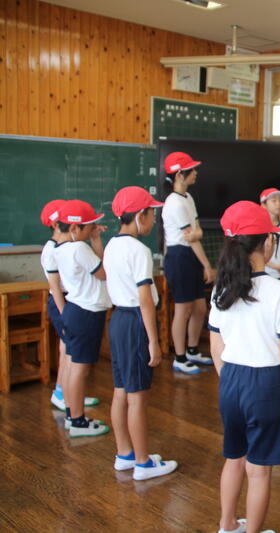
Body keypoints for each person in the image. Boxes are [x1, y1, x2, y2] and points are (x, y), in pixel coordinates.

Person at [208, 201, 280, 533]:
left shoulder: (221, 287)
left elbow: (216, 348)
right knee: (259, 470)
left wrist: (231, 380)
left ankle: (227, 525)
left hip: (231, 379)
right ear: (267, 242)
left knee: (234, 458)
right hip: (266, 384)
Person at [105, 186, 178, 481]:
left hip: (118, 320)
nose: (153, 219)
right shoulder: (139, 250)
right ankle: (143, 463)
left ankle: (124, 453)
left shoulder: (111, 245)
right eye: (151, 214)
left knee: (121, 390)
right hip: (136, 322)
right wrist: (154, 341)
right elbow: (146, 300)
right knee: (137, 397)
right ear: (139, 216)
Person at [54, 199, 112, 437]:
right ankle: (77, 421)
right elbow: (104, 273)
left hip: (74, 310)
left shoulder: (61, 248)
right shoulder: (79, 248)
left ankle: (72, 415)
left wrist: (94, 238)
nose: (92, 230)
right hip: (87, 313)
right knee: (80, 369)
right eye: (89, 227)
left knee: (72, 365)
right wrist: (96, 242)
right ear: (74, 228)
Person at [41, 199, 99, 415]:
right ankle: (63, 395)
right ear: (57, 225)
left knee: (68, 351)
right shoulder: (51, 250)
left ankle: (69, 394)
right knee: (68, 352)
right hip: (62, 302)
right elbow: (55, 287)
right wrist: (65, 313)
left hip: (70, 301)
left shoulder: (66, 247)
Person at [162, 151, 214, 374]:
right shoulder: (174, 203)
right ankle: (180, 357)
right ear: (179, 176)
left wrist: (197, 233)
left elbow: (197, 231)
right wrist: (207, 265)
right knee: (183, 310)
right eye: (191, 170)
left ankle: (192, 350)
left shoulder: (188, 198)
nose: (195, 173)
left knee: (200, 308)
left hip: (190, 256)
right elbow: (192, 238)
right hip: (179, 257)